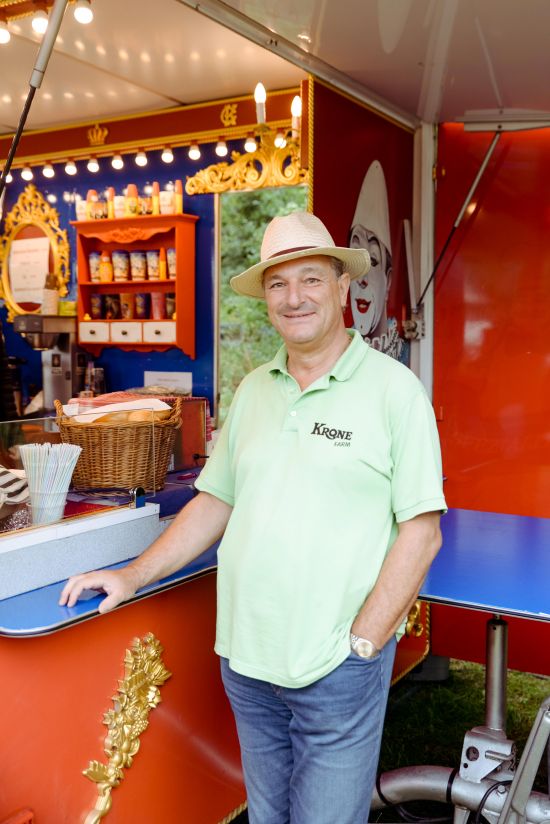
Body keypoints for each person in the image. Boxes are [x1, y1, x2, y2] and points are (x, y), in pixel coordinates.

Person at [60, 211, 446, 824]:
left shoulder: (395, 392)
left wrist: (365, 642)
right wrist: (133, 575)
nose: (294, 298)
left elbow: (422, 534)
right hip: (246, 660)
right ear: (265, 298)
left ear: (342, 288)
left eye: (311, 279)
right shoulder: (254, 390)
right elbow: (216, 501)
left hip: (335, 666)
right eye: (277, 283)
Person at [349, 159, 405, 361]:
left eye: (372, 261)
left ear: (388, 280)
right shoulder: (335, 355)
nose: (362, 279)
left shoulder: (401, 355)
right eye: (355, 261)